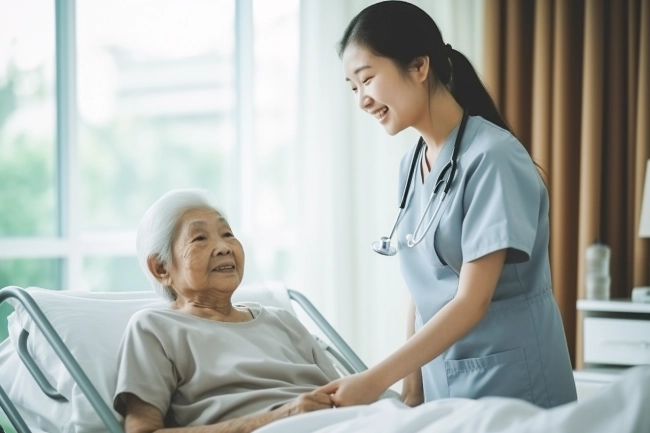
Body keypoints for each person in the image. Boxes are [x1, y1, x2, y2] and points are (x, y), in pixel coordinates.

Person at [319, 1, 577, 409]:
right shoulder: (411, 165)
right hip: (446, 387)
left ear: (420, 67)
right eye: (353, 88)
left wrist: (374, 380)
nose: (362, 101)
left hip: (514, 383)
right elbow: (422, 289)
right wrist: (411, 390)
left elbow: (472, 301)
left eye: (367, 79)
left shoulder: (493, 157)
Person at [113, 189, 339, 432]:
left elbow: (347, 395)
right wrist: (282, 416)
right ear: (161, 268)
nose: (223, 247)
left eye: (228, 234)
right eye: (200, 238)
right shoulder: (153, 328)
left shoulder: (282, 320)